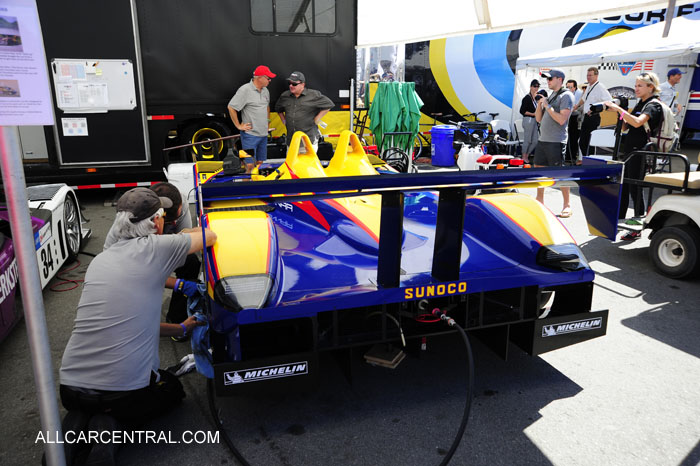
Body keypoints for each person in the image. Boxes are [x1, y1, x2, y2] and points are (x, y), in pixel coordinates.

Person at [58, 188, 217, 465]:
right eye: (161, 217)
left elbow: (134, 323)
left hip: (70, 389)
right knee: (171, 390)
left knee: (93, 402)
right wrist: (181, 236)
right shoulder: (157, 248)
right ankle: (111, 429)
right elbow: (210, 237)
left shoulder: (100, 261)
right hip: (123, 395)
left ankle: (78, 425)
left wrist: (180, 328)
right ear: (156, 222)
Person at [103, 183, 201, 335]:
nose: (173, 224)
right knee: (139, 306)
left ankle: (177, 316)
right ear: (156, 219)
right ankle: (173, 326)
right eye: (167, 222)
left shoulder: (179, 200)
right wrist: (179, 284)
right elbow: (140, 272)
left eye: (175, 220)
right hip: (131, 260)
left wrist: (186, 235)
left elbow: (188, 245)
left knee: (191, 262)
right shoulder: (127, 227)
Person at [604, 72, 663, 240]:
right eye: (636, 85)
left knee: (636, 189)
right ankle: (620, 220)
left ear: (650, 87)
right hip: (632, 151)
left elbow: (638, 122)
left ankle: (637, 227)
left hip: (642, 152)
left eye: (640, 86)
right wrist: (620, 112)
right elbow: (625, 127)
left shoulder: (653, 105)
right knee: (626, 187)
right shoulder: (641, 104)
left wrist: (619, 109)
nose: (636, 88)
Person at [534, 68, 574, 217]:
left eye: (550, 79)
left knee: (560, 174)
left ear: (559, 79)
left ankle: (567, 205)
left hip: (556, 141)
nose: (547, 81)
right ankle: (540, 201)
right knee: (539, 170)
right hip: (543, 139)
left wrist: (548, 106)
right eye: (547, 79)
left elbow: (561, 119)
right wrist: (540, 105)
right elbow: (538, 119)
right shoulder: (551, 96)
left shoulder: (566, 95)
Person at [228, 65, 276, 168]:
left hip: (263, 135)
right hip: (249, 136)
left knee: (260, 163)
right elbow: (231, 107)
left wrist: (267, 122)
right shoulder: (244, 90)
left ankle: (257, 183)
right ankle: (246, 184)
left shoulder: (265, 91)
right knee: (248, 164)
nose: (270, 80)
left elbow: (267, 107)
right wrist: (238, 126)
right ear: (260, 78)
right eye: (268, 78)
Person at [274, 71, 334, 152]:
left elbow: (329, 104)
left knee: (307, 165)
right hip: (291, 142)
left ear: (303, 84)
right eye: (289, 83)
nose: (291, 86)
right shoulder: (285, 96)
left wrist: (317, 118)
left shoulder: (313, 95)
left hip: (308, 142)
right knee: (291, 165)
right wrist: (284, 120)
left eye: (294, 84)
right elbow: (278, 109)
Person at [573, 67, 612, 157]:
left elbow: (609, 101)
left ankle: (590, 161)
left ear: (596, 76)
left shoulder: (600, 87)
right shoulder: (589, 86)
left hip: (593, 117)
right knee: (582, 142)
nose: (588, 77)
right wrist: (576, 106)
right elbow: (583, 99)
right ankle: (586, 159)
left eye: (590, 75)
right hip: (586, 117)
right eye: (587, 75)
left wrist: (596, 109)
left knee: (589, 143)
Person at [519, 79, 540, 163]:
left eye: (538, 86)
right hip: (528, 119)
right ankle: (524, 156)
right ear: (531, 87)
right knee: (527, 139)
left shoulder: (536, 98)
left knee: (535, 141)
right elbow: (522, 111)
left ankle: (526, 155)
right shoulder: (527, 98)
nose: (536, 88)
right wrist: (533, 114)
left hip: (535, 120)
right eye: (535, 86)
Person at [566, 79, 583, 164]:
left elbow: (579, 106)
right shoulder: (566, 93)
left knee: (574, 138)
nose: (568, 89)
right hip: (568, 116)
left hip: (576, 117)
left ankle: (572, 156)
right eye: (567, 87)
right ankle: (567, 156)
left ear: (575, 87)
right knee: (568, 136)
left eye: (570, 87)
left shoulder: (579, 94)